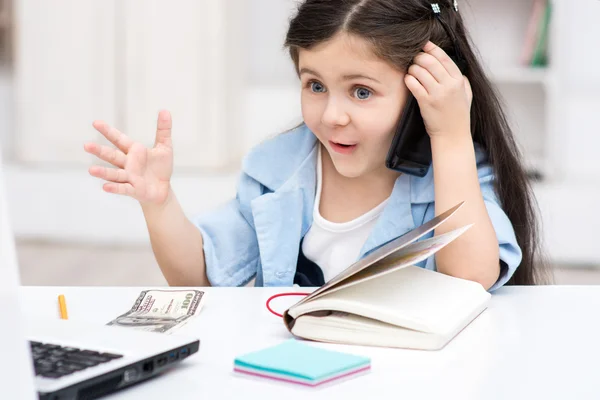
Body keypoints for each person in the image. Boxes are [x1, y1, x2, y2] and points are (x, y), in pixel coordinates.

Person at [84, 0, 550, 291]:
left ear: (422, 90)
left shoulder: (456, 175)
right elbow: (200, 277)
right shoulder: (279, 169)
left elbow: (470, 279)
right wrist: (159, 203)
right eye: (315, 86)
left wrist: (449, 135)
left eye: (361, 91)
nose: (331, 116)